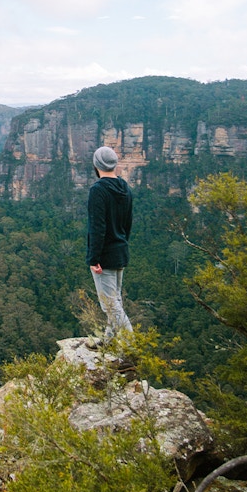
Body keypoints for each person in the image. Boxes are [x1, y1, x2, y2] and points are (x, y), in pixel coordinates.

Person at [86, 145, 133, 346]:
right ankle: (108, 341)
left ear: (96, 165)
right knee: (116, 301)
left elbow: (97, 228)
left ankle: (132, 346)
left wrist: (93, 258)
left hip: (104, 257)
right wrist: (121, 245)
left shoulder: (98, 190)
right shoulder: (125, 188)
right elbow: (128, 223)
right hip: (120, 252)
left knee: (110, 305)